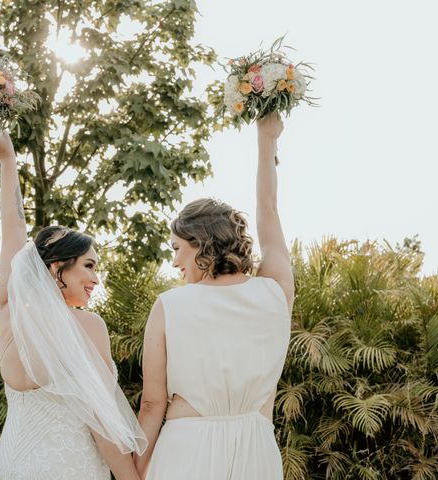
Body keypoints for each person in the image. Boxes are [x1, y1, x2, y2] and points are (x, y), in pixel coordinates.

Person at [135, 113, 293, 479]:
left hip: (187, 451)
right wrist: (266, 140)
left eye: (176, 248)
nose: (174, 261)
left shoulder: (169, 306)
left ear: (200, 244)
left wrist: (136, 472)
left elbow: (152, 403)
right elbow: (268, 209)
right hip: (256, 453)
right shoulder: (274, 292)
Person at [0, 133, 146, 480]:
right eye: (89, 266)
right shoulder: (88, 326)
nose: (96, 279)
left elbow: (12, 228)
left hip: (9, 468)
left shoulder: (10, 313)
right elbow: (104, 426)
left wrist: (7, 161)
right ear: (58, 268)